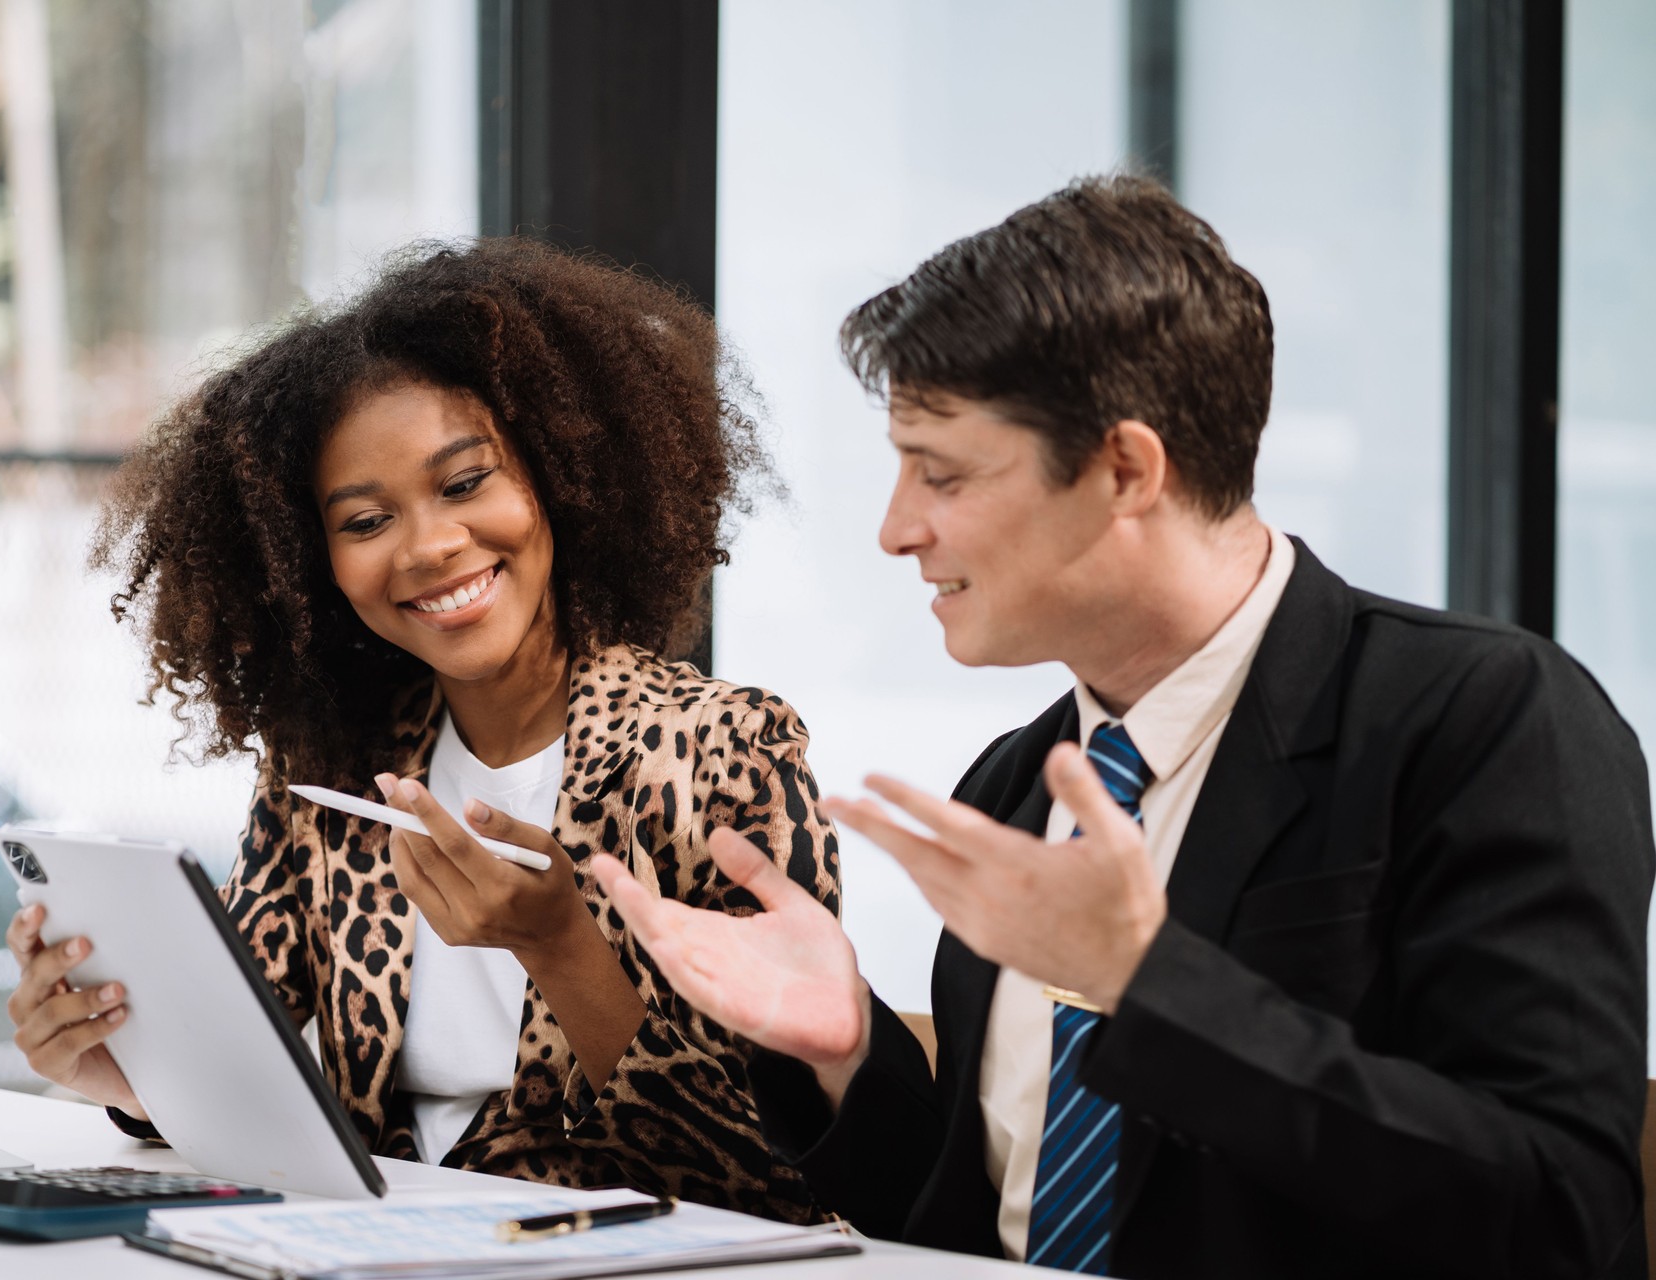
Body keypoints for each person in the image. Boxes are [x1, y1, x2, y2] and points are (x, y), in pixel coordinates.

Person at [594, 176, 1655, 1278]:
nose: (895, 528)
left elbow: (1555, 1209)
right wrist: (847, 1050)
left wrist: (1149, 982)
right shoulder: (1015, 781)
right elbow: (968, 1216)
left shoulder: (1486, 719)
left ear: (1125, 470)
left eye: (943, 474)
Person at [0, 239, 842, 1221]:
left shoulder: (721, 748)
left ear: (562, 473)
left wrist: (561, 941)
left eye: (465, 480)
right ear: (310, 563)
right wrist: (121, 1068)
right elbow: (238, 1069)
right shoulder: (332, 772)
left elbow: (758, 1166)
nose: (431, 546)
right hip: (379, 1243)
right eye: (364, 522)